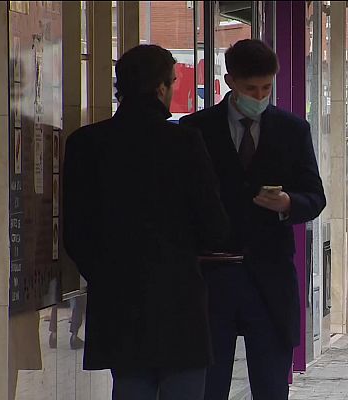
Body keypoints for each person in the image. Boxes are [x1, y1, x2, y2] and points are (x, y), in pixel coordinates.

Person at [63, 44, 229, 400]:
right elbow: (214, 226)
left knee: (129, 386)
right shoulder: (184, 141)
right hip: (178, 301)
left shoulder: (85, 143)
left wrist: (108, 274)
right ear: (160, 88)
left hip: (118, 301)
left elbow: (75, 233)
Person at [179, 39, 326, 399]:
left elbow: (315, 196)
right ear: (230, 81)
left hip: (269, 278)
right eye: (250, 89)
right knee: (208, 384)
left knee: (271, 384)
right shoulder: (194, 129)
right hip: (211, 277)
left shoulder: (292, 130)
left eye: (266, 88)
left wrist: (288, 202)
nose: (259, 96)